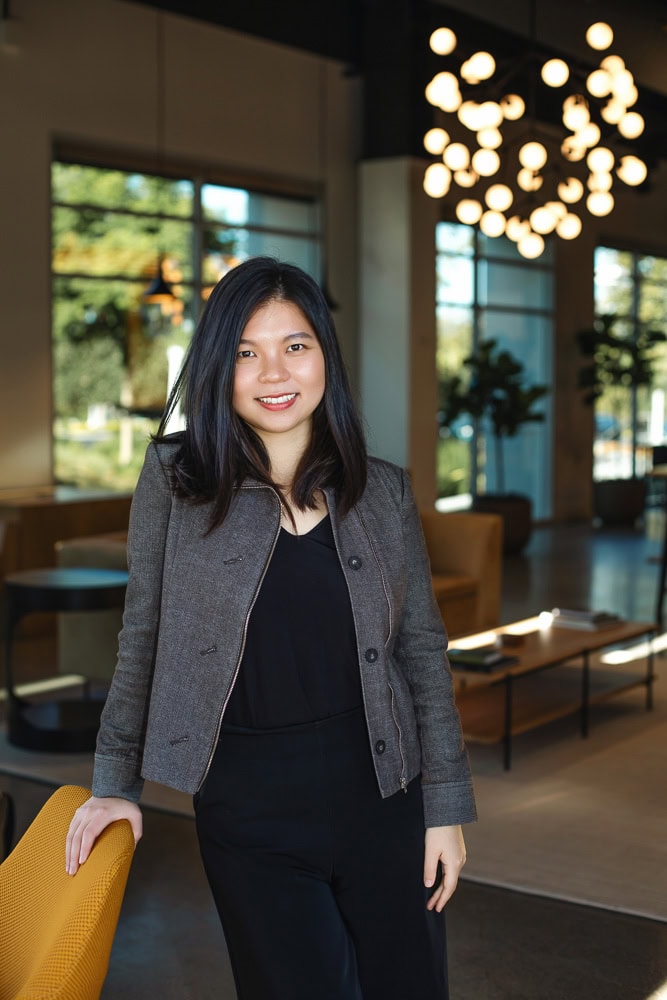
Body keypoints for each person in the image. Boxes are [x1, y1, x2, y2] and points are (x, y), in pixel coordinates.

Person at [66, 256, 477, 1000]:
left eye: (295, 345)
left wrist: (443, 809)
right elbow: (142, 634)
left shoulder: (380, 490)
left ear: (325, 355)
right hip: (245, 807)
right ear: (219, 367)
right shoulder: (174, 481)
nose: (273, 372)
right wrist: (112, 782)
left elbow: (420, 651)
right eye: (247, 352)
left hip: (383, 793)